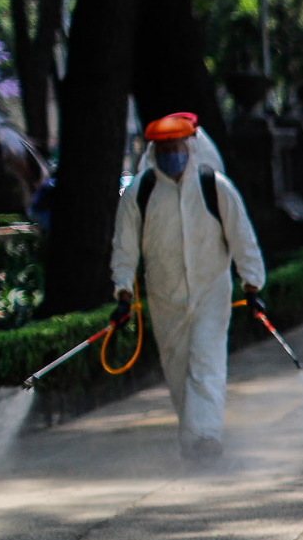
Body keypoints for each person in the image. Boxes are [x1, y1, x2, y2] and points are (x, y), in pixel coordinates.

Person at [110, 112, 267, 463]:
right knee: (178, 370)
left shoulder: (215, 187)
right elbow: (124, 247)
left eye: (176, 146)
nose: (171, 153)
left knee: (206, 363)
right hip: (164, 297)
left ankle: (206, 438)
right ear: (154, 150)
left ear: (189, 146)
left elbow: (243, 238)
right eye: (164, 147)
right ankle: (193, 438)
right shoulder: (141, 192)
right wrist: (123, 291)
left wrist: (252, 285)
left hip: (211, 291)